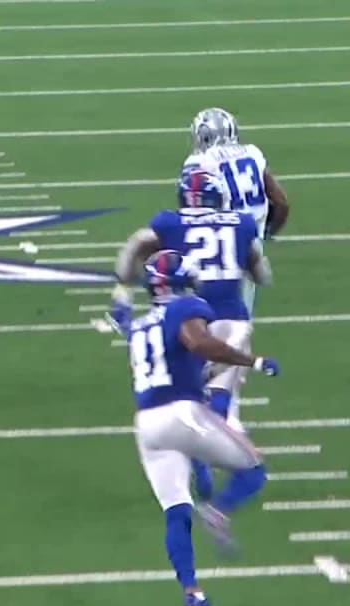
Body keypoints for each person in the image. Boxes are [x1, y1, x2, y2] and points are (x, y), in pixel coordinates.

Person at [110, 248, 280, 606]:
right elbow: (198, 343)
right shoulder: (183, 309)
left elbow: (172, 358)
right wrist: (252, 360)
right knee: (253, 469)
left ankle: (192, 593)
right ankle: (219, 510)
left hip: (148, 425)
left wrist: (120, 301)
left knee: (176, 512)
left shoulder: (139, 326)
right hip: (182, 414)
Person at [114, 168, 272, 502]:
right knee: (220, 394)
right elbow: (262, 274)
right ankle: (215, 459)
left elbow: (138, 245)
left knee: (190, 384)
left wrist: (125, 276)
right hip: (230, 318)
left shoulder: (169, 223)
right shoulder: (240, 222)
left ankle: (202, 456)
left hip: (186, 315)